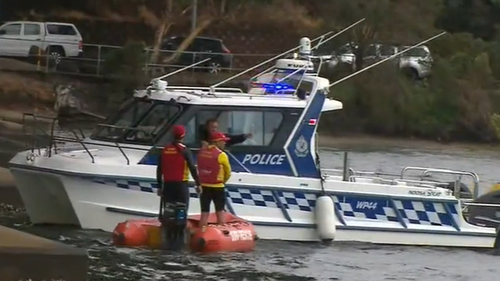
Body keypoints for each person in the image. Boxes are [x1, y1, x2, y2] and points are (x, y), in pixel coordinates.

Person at [156, 125, 200, 250]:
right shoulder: (185, 150)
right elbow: (192, 168)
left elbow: (159, 170)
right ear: (183, 136)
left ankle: (167, 241)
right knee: (181, 211)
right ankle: (179, 242)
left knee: (169, 212)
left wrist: (159, 186)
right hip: (181, 186)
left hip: (167, 186)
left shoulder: (164, 150)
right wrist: (198, 184)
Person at [197, 131, 232, 230]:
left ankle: (201, 233)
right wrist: (223, 181)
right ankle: (222, 233)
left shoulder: (201, 152)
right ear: (217, 142)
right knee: (220, 211)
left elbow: (199, 167)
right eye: (223, 141)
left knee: (204, 213)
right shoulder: (221, 155)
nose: (225, 143)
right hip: (218, 187)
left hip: (204, 186)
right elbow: (228, 172)